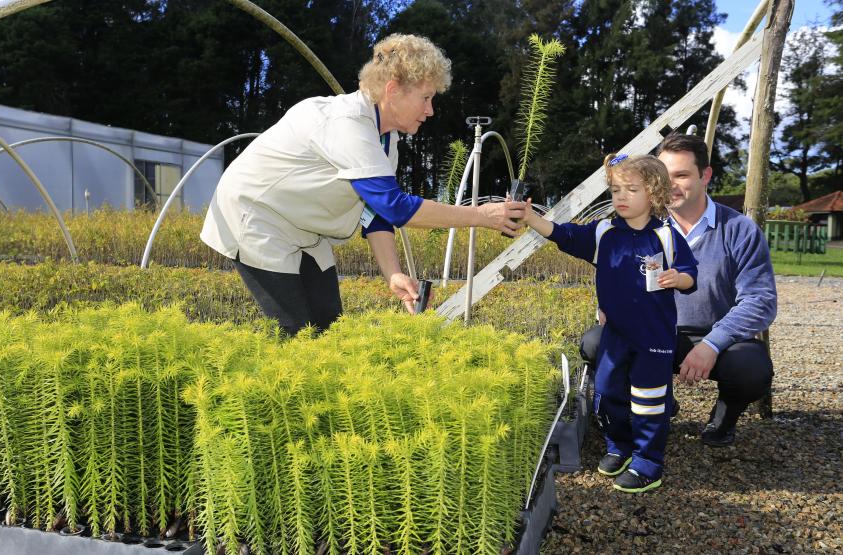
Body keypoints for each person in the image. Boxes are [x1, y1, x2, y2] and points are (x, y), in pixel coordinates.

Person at [200, 34, 527, 335]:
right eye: (426, 98)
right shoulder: (347, 124)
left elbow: (377, 215)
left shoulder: (387, 141)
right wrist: (483, 216)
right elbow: (396, 207)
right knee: (296, 334)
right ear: (393, 89)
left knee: (329, 325)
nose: (430, 110)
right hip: (258, 221)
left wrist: (393, 275)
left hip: (304, 228)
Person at [525, 154, 697, 493]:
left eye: (631, 189)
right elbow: (564, 235)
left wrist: (678, 278)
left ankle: (648, 463)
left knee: (649, 400)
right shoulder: (604, 233)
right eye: (616, 189)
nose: (621, 196)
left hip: (654, 338)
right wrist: (532, 218)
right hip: (616, 334)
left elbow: (691, 276)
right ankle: (620, 446)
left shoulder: (666, 236)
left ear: (654, 194)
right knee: (606, 393)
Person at [657, 133, 777, 446]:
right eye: (663, 176)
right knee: (598, 343)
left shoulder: (738, 230)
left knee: (751, 368)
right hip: (659, 334)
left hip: (719, 337)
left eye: (681, 175)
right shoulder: (644, 227)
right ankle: (657, 405)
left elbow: (760, 301)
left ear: (705, 175)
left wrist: (712, 343)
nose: (671, 186)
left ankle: (724, 418)